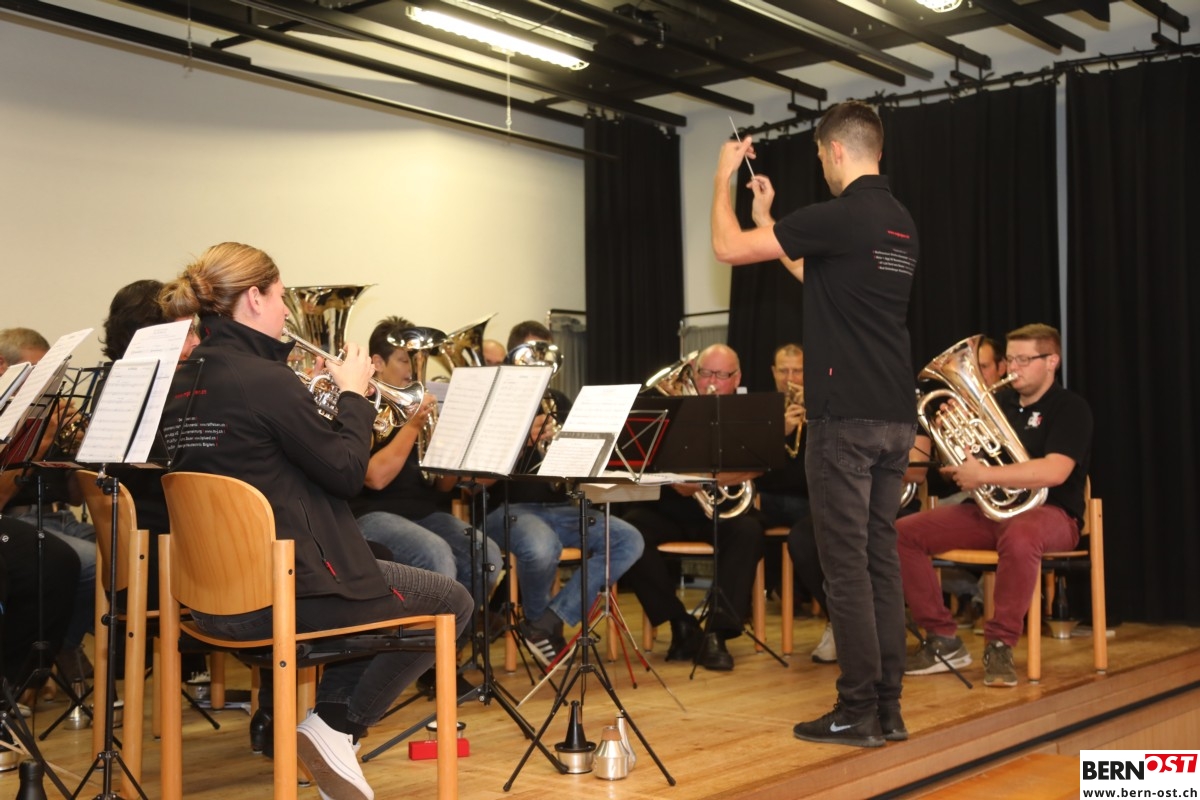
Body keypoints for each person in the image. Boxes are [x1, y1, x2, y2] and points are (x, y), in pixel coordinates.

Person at [158, 242, 472, 800]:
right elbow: (348, 473)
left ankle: (330, 731)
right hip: (275, 596)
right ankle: (335, 725)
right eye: (281, 298)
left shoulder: (182, 381)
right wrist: (352, 395)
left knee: (381, 565)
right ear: (254, 298)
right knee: (450, 600)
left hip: (208, 598)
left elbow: (274, 458)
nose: (286, 312)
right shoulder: (263, 379)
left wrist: (314, 403)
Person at [712, 101, 918, 747]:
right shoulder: (898, 220)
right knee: (878, 560)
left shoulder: (839, 213)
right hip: (894, 416)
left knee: (846, 568)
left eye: (822, 157)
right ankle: (886, 708)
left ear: (834, 151)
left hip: (845, 418)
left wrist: (721, 178)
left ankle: (856, 708)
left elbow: (725, 249)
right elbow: (819, 274)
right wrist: (767, 221)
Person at [898, 323, 1092, 688]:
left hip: (1053, 515)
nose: (1012, 368)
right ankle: (942, 638)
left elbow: (1055, 471)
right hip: (992, 512)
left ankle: (1000, 643)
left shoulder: (1070, 408)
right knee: (902, 534)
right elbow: (970, 467)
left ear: (1052, 361)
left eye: (1024, 360)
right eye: (1010, 359)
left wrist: (984, 476)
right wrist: (955, 447)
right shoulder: (997, 404)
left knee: (1020, 535)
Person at [484, 320, 644, 667]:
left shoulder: (559, 402)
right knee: (542, 546)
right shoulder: (494, 402)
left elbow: (576, 470)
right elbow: (481, 475)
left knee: (628, 539)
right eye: (531, 355)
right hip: (508, 509)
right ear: (513, 357)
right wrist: (522, 440)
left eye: (545, 356)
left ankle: (546, 622)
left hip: (561, 509)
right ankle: (540, 622)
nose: (539, 364)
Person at [619, 343, 766, 671]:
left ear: (737, 378)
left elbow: (758, 468)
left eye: (721, 375)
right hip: (670, 511)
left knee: (750, 531)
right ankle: (679, 623)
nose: (712, 382)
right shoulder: (667, 412)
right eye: (705, 373)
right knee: (628, 532)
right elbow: (646, 465)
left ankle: (717, 632)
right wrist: (676, 478)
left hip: (724, 512)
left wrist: (701, 480)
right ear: (693, 373)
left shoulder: (751, 413)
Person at [352, 316, 502, 610]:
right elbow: (375, 478)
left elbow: (443, 486)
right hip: (372, 514)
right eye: (403, 360)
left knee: (488, 556)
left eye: (415, 360)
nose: (412, 369)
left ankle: (456, 634)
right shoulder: (363, 404)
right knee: (436, 555)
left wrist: (449, 442)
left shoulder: (422, 410)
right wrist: (413, 425)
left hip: (425, 513)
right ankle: (428, 638)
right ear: (378, 363)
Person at [0, 327, 97, 687]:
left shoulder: (51, 416)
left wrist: (80, 449)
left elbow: (76, 497)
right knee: (92, 562)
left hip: (61, 517)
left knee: (129, 552)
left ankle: (63, 643)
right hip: (18, 523)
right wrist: (41, 442)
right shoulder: (6, 422)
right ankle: (60, 649)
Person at [755, 343, 835, 664]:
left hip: (811, 501)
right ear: (773, 373)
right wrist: (780, 430)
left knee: (813, 537)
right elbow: (748, 461)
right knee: (738, 526)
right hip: (768, 500)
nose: (791, 378)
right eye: (784, 371)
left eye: (798, 371)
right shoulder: (760, 409)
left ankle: (837, 616)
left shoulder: (826, 407)